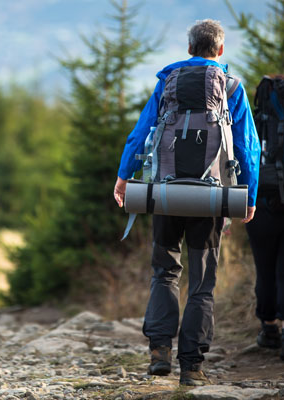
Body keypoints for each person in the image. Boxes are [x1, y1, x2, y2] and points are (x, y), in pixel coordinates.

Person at [113, 20, 260, 386]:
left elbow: (142, 132)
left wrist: (123, 175)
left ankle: (160, 351)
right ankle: (191, 366)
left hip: (165, 192)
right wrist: (249, 195)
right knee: (202, 283)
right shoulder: (231, 87)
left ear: (189, 47)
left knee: (164, 271)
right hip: (210, 198)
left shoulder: (168, 83)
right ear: (220, 50)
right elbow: (248, 147)